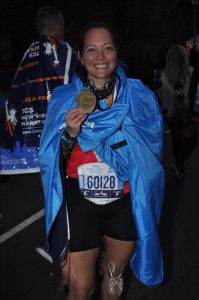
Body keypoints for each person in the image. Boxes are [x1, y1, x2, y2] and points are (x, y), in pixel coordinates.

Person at [39, 22, 165, 299]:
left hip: (124, 199)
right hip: (80, 199)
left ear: (116, 53)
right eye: (92, 49)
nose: (100, 56)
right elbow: (51, 159)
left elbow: (152, 149)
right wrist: (70, 134)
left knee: (114, 274)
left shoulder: (138, 95)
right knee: (80, 287)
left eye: (107, 48)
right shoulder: (63, 98)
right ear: (82, 57)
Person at [0, 5, 77, 174]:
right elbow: (76, 85)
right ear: (59, 25)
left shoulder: (28, 53)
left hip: (32, 129)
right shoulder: (65, 50)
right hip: (59, 127)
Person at [158, 44, 197, 180]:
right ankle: (179, 164)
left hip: (170, 113)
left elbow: (160, 96)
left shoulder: (162, 75)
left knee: (177, 140)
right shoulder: (191, 72)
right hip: (188, 113)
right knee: (192, 140)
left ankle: (179, 167)